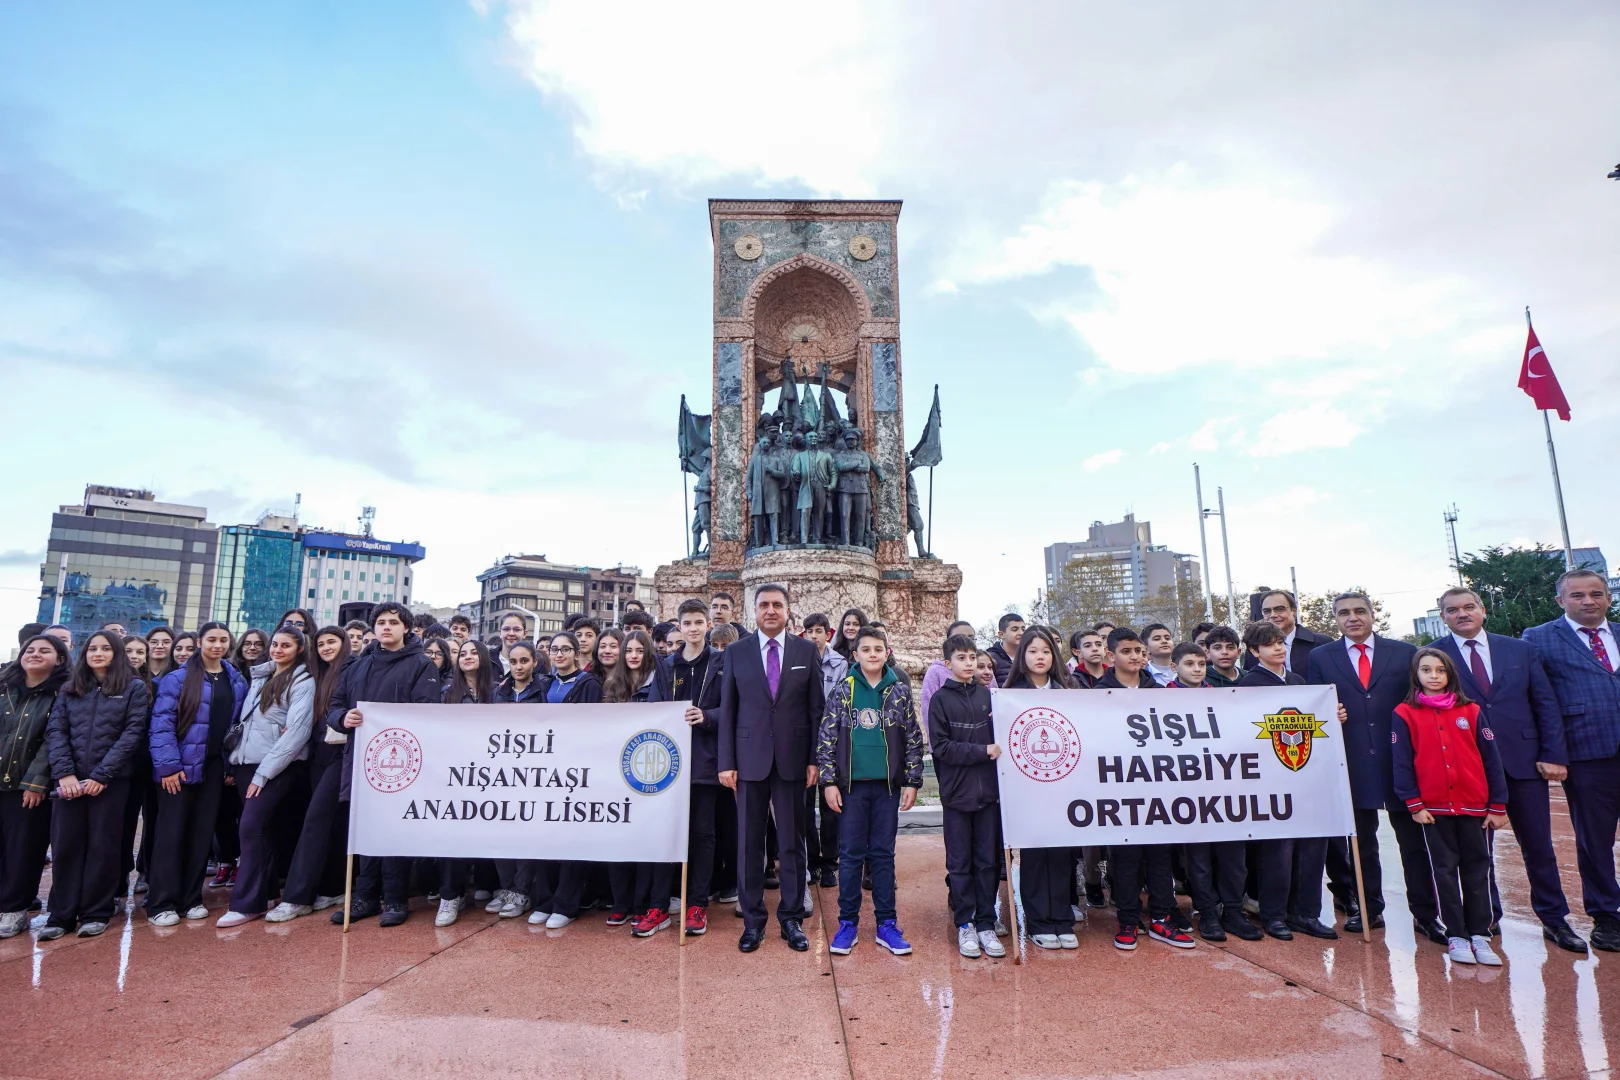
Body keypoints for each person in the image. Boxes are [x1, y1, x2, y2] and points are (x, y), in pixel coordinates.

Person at [1431, 587, 1583, 952]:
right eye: (1453, 610)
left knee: (1538, 846)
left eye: (1469, 607)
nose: (1462, 614)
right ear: (1444, 617)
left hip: (1524, 762)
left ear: (1483, 610)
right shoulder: (1433, 656)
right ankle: (1486, 918)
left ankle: (1554, 919)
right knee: (1476, 851)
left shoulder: (1520, 649)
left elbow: (1545, 703)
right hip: (1468, 769)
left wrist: (1553, 753)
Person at [1303, 593, 1427, 939]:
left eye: (1359, 611)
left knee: (1413, 842)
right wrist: (1330, 715)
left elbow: (1419, 699)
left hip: (1400, 759)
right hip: (1351, 759)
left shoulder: (1403, 653)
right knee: (1362, 841)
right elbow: (1314, 706)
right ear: (1335, 620)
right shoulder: (1321, 657)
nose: (1352, 618)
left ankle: (1426, 912)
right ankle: (1369, 908)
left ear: (1373, 615)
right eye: (1344, 613)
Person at [718, 584, 824, 953]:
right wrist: (726, 762)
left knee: (793, 843)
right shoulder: (735, 652)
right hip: (748, 761)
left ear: (788, 610)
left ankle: (792, 919)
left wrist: (814, 759)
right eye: (764, 605)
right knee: (749, 843)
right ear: (754, 611)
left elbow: (816, 711)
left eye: (777, 604)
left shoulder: (806, 651)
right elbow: (728, 711)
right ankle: (752, 921)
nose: (770, 610)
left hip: (794, 760)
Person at [1521, 569, 1620, 953]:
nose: (1589, 600)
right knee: (1595, 841)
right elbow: (1538, 701)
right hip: (1586, 754)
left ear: (1608, 597)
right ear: (1561, 600)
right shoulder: (1540, 638)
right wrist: (1550, 752)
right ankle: (1607, 915)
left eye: (1597, 593)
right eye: (1577, 595)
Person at [1392, 648, 1508, 966]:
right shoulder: (1404, 713)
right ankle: (1456, 935)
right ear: (1416, 674)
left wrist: (1497, 805)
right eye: (1426, 670)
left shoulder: (1470, 710)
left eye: (1440, 670)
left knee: (1478, 870)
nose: (1433, 676)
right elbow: (1401, 763)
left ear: (1449, 675)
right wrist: (1414, 803)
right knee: (1443, 872)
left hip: (1474, 808)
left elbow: (1491, 759)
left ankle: (1480, 935)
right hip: (1434, 810)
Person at [330, 604, 442, 928]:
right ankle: (364, 896)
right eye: (380, 622)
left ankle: (395, 898)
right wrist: (343, 718)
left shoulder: (422, 665)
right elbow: (335, 705)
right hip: (362, 759)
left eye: (394, 622)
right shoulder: (357, 665)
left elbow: (427, 710)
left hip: (401, 761)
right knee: (364, 827)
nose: (386, 627)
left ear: (406, 628)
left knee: (395, 829)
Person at [819, 623, 923, 958]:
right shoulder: (843, 690)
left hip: (887, 787)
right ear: (856, 654)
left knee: (883, 854)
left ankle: (887, 924)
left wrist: (912, 780)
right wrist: (829, 781)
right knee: (849, 855)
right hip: (851, 788)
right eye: (866, 650)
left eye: (878, 649)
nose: (873, 655)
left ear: (886, 653)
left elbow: (912, 740)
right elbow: (827, 739)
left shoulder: (899, 690)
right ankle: (847, 922)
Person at [40, 630, 149, 938]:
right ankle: (60, 915)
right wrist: (65, 774)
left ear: (116, 653)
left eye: (105, 648)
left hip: (110, 783)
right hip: (69, 784)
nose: (97, 653)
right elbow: (56, 732)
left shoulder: (133, 688)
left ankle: (96, 912)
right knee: (65, 847)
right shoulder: (69, 689)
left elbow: (132, 734)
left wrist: (102, 775)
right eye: (92, 649)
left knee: (103, 847)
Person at [1098, 628, 1193, 950]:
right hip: (1119, 788)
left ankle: (1161, 919)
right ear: (1111, 656)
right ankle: (1127, 920)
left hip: (1156, 787)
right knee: (1125, 857)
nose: (1136, 657)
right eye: (1127, 651)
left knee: (1159, 855)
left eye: (1140, 651)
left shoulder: (1158, 690)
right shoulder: (1098, 693)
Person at [146, 622, 246, 927]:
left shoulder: (236, 679)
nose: (217, 645)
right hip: (178, 767)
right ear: (200, 642)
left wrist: (230, 766)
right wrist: (167, 766)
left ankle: (191, 898)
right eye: (211, 639)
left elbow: (237, 727)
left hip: (215, 767)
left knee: (202, 833)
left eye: (223, 640)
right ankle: (161, 902)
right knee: (170, 833)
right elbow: (161, 724)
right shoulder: (177, 679)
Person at [217, 627, 314, 927]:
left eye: (286, 645)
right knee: (263, 830)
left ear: (299, 649)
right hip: (246, 762)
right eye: (275, 644)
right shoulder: (260, 675)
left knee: (251, 827)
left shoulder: (303, 680)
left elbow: (297, 732)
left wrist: (263, 774)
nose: (278, 649)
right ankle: (267, 892)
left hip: (274, 767)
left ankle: (247, 903)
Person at [1170, 642, 1259, 942]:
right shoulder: (1160, 698)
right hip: (1188, 791)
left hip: (1225, 788)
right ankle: (1207, 911)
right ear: (1175, 667)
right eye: (1189, 664)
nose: (1196, 669)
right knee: (1198, 857)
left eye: (1199, 663)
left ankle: (1233, 910)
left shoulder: (1224, 696)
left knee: (1234, 855)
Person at [1003, 626, 1082, 949]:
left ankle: (1062, 918)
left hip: (1063, 788)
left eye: (1046, 651)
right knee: (1035, 857)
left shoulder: (1069, 691)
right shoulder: (1010, 694)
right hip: (1027, 790)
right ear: (1023, 656)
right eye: (1033, 651)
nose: (1040, 657)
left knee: (1062, 856)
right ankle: (1038, 922)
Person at [928, 633, 1004, 959]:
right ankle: (965, 924)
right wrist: (981, 751)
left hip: (988, 794)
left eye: (972, 657)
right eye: (961, 657)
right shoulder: (940, 700)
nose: (969, 663)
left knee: (988, 862)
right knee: (959, 864)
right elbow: (942, 748)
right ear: (948, 664)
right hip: (957, 794)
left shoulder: (990, 697)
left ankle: (987, 922)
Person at [268, 627, 351, 922]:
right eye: (321, 643)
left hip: (341, 753)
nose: (327, 647)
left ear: (344, 644)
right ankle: (331, 887)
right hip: (314, 753)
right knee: (329, 822)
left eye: (332, 642)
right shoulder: (314, 673)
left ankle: (296, 897)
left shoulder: (353, 668)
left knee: (316, 821)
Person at [654, 600, 727, 936]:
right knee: (666, 836)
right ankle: (658, 904)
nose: (694, 628)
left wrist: (708, 717)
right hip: (670, 765)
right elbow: (653, 710)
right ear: (679, 627)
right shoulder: (667, 666)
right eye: (688, 623)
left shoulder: (720, 662)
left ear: (708, 624)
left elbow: (733, 708)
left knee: (703, 834)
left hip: (706, 762)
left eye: (700, 622)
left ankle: (697, 903)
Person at [523, 632, 602, 930]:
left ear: (576, 652)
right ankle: (543, 900)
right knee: (544, 838)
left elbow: (592, 725)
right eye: (554, 649)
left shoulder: (588, 684)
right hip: (545, 771)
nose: (558, 654)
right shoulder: (544, 683)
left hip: (575, 770)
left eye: (565, 649)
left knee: (571, 839)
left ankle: (566, 904)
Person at [0, 635, 70, 937]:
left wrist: (36, 782)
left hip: (29, 787)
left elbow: (53, 741)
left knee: (23, 849)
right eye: (30, 650)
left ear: (61, 659)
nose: (35, 654)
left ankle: (14, 907)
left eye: (45, 651)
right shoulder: (4, 688)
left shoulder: (63, 693)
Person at [1245, 590, 1330, 673]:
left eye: (1279, 609)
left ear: (1294, 611)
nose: (1273, 615)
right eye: (1267, 611)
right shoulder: (1255, 648)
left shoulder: (1322, 643)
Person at [918, 620, 976, 730]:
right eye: (959, 637)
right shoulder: (935, 671)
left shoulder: (979, 667)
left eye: (971, 638)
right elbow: (928, 708)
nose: (965, 641)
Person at [986, 614, 1024, 685]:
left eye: (1023, 629)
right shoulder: (990, 658)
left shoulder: (1029, 656)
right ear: (1001, 634)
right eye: (1014, 629)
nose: (1021, 633)